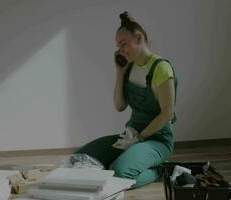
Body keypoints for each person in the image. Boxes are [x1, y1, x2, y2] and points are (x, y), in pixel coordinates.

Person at [74, 11, 178, 188]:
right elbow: (119, 105)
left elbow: (167, 114)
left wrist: (139, 138)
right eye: (118, 46)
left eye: (123, 44)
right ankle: (126, 161)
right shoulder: (129, 68)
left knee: (120, 174)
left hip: (156, 140)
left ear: (138, 38)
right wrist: (119, 71)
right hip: (130, 136)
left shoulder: (162, 68)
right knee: (79, 160)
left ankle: (159, 170)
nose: (120, 50)